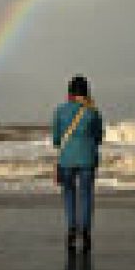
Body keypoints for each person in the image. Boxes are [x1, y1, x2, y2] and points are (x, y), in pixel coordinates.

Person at [53, 75, 103, 252]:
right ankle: (86, 231)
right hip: (88, 157)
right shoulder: (93, 112)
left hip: (66, 158)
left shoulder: (60, 110)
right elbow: (99, 137)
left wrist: (65, 145)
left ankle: (71, 228)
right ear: (86, 91)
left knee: (68, 193)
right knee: (86, 194)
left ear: (70, 92)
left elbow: (56, 139)